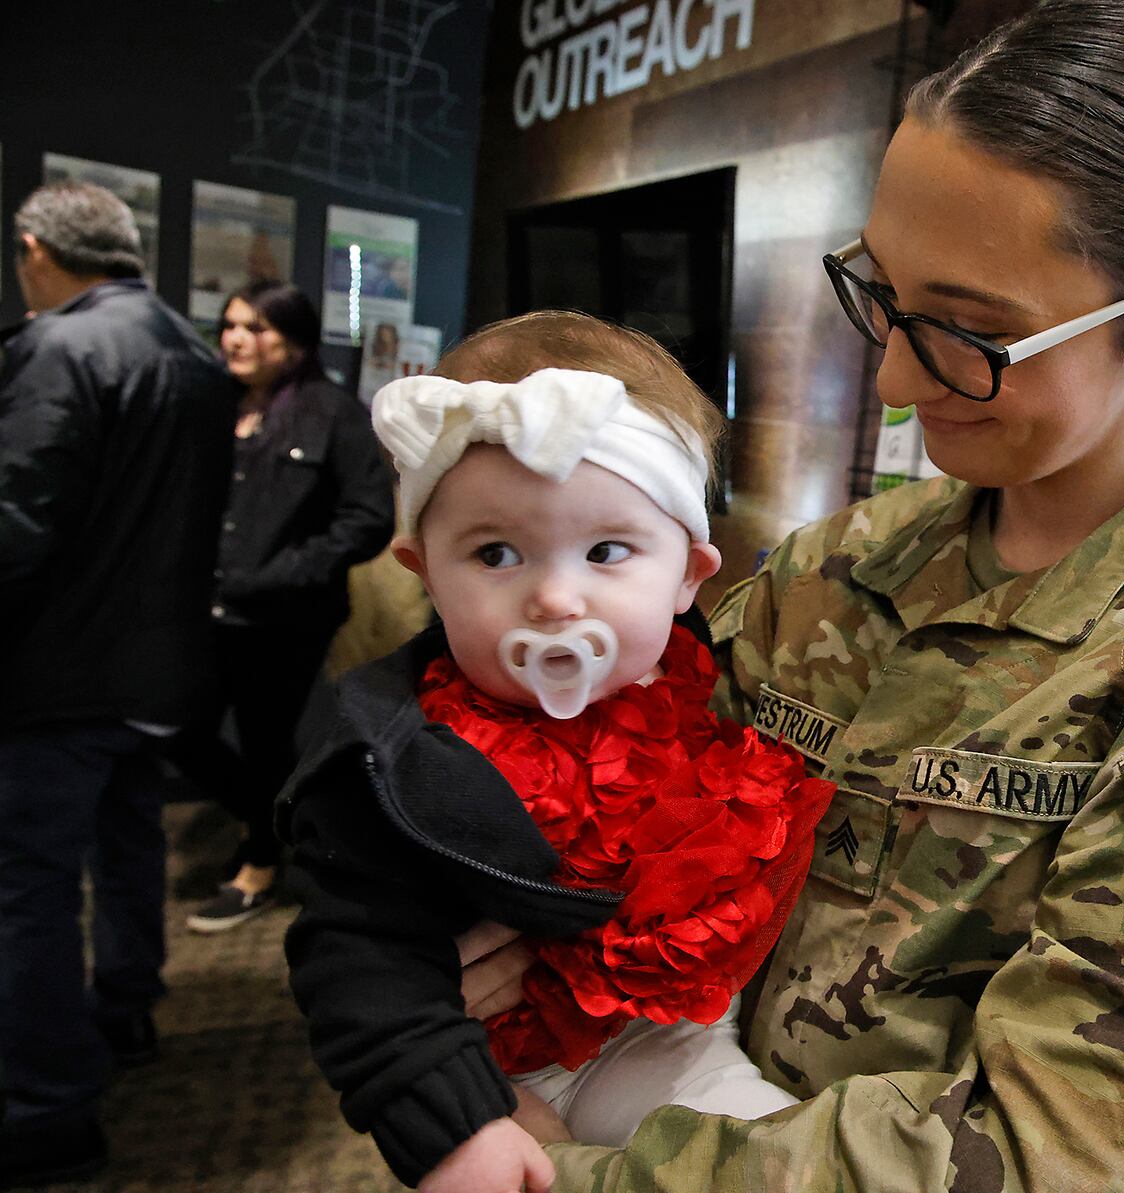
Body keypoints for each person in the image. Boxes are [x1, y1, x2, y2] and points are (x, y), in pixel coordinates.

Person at [459, 3, 1124, 1189]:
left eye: (968, 335)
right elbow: (623, 812)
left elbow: (1056, 1149)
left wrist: (570, 1175)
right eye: (883, 295)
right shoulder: (833, 567)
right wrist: (493, 931)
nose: (894, 377)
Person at [278, 311, 835, 1192]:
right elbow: (355, 954)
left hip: (678, 1032)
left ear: (691, 573)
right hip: (514, 1067)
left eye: (607, 550)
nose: (555, 597)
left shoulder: (704, 687)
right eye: (496, 553)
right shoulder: (393, 762)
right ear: (424, 570)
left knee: (779, 1156)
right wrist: (458, 1120)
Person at [0, 181, 233, 1186]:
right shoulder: (195, 355)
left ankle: (44, 1106)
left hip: (57, 670)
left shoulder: (59, 348)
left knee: (28, 889)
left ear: (35, 249)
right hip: (161, 665)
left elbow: (14, 520)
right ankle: (126, 1007)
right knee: (128, 836)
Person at [180, 281, 393, 933]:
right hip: (205, 606)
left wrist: (285, 572)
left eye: (256, 327)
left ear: (294, 339)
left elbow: (369, 517)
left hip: (285, 617)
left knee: (267, 738)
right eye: (230, 325)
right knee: (182, 729)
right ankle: (276, 822)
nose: (236, 338)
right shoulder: (215, 403)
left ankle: (259, 865)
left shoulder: (332, 411)